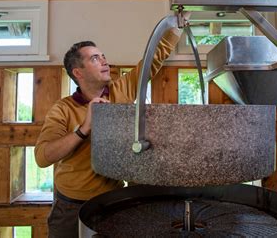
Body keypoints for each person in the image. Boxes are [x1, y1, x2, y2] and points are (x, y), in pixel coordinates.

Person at [34, 26, 182, 238]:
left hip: (111, 202)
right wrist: (84, 128)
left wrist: (177, 24)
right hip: (70, 208)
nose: (105, 61)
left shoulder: (120, 90)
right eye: (95, 58)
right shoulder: (63, 109)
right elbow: (42, 157)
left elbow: (153, 60)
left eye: (103, 56)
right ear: (78, 73)